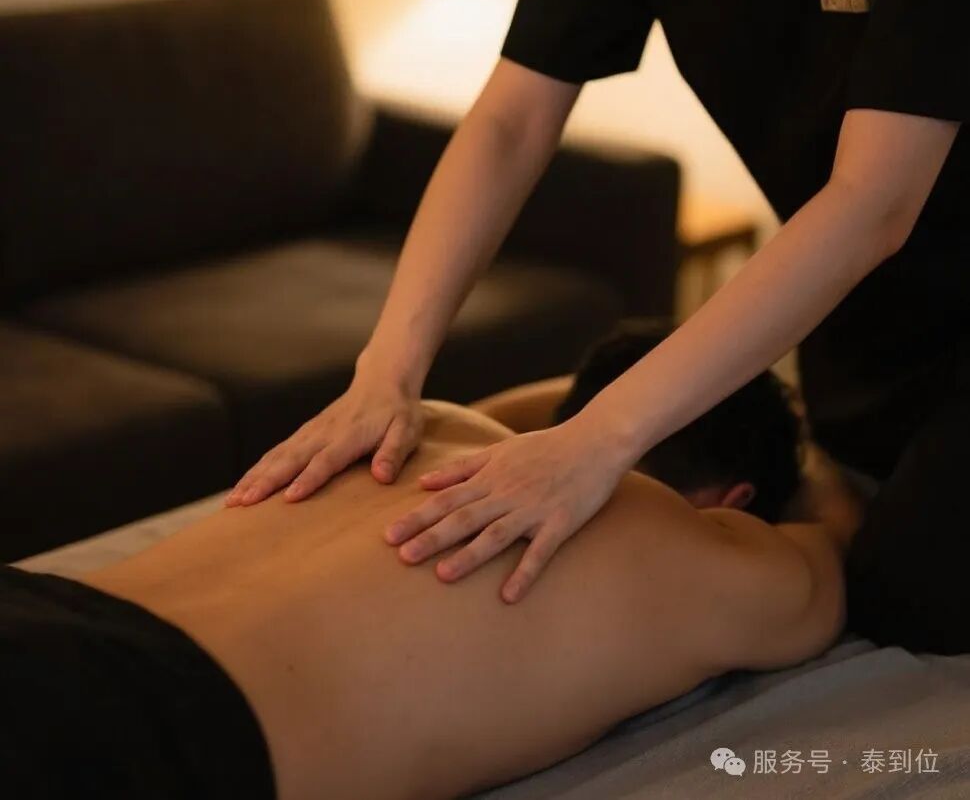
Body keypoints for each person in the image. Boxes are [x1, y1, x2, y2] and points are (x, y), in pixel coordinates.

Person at [228, 0, 969, 653]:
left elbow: (874, 201)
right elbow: (513, 120)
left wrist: (598, 440)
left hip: (904, 263)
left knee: (906, 602)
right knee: (822, 504)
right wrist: (385, 375)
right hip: (859, 312)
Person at [2, 329, 856, 800]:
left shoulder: (427, 426)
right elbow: (833, 547)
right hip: (145, 735)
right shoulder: (683, 550)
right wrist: (805, 466)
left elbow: (521, 414)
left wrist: (585, 420)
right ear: (734, 500)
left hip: (42, 616)